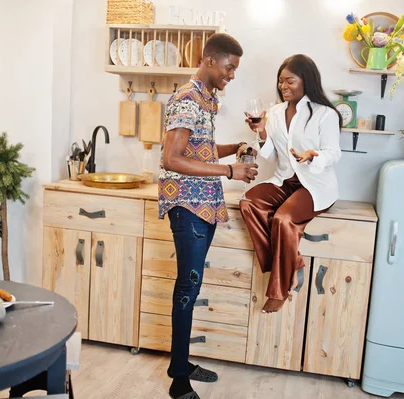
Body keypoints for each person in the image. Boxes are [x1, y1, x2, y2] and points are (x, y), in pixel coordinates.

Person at [158, 33, 258, 399]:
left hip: (202, 205)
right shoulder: (187, 98)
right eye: (230, 67)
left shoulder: (206, 98)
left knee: (191, 285)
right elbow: (171, 159)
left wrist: (236, 148)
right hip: (187, 206)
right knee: (188, 286)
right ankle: (178, 382)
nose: (232, 74)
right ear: (210, 60)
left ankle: (179, 365)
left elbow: (199, 149)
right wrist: (231, 171)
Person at [240, 54, 342, 314]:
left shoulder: (325, 114)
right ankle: (292, 263)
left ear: (306, 80)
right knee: (249, 203)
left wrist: (313, 155)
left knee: (283, 220)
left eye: (290, 81)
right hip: (285, 179)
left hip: (315, 184)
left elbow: (334, 153)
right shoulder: (274, 113)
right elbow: (271, 154)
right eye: (280, 82)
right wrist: (262, 131)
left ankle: (279, 290)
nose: (283, 86)